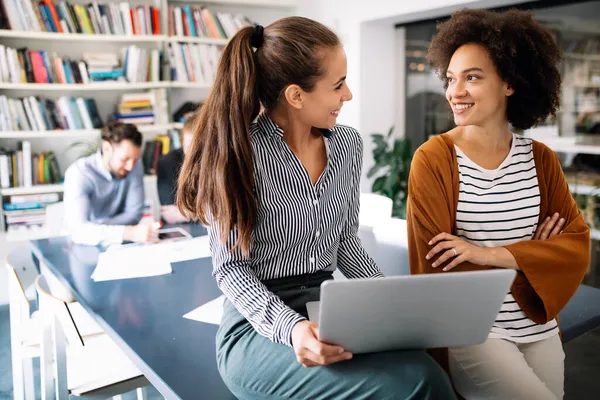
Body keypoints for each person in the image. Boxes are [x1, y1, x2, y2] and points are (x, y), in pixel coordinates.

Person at [177, 16, 455, 400]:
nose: (349, 95)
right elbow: (230, 270)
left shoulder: (347, 145)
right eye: (338, 85)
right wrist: (292, 329)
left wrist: (390, 303)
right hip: (258, 326)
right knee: (416, 385)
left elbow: (344, 241)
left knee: (426, 369)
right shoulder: (237, 155)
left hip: (328, 309)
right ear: (296, 95)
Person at [406, 9, 591, 400]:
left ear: (509, 83)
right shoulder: (434, 159)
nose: (455, 92)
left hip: (539, 327)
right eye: (451, 79)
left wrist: (489, 254)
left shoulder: (540, 158)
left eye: (471, 77)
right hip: (474, 331)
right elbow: (438, 262)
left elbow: (575, 247)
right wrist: (535, 253)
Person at [64, 121, 159, 246]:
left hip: (119, 245)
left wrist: (96, 229)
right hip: (82, 247)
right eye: (124, 159)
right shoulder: (79, 173)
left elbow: (134, 214)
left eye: (135, 160)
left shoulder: (135, 166)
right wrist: (128, 232)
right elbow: (79, 231)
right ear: (106, 148)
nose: (130, 166)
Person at [156, 113, 196, 224]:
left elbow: (225, 209)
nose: (193, 154)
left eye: (198, 148)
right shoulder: (167, 162)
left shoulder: (219, 161)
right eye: (188, 147)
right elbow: (170, 213)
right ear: (181, 142)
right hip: (179, 229)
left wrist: (190, 214)